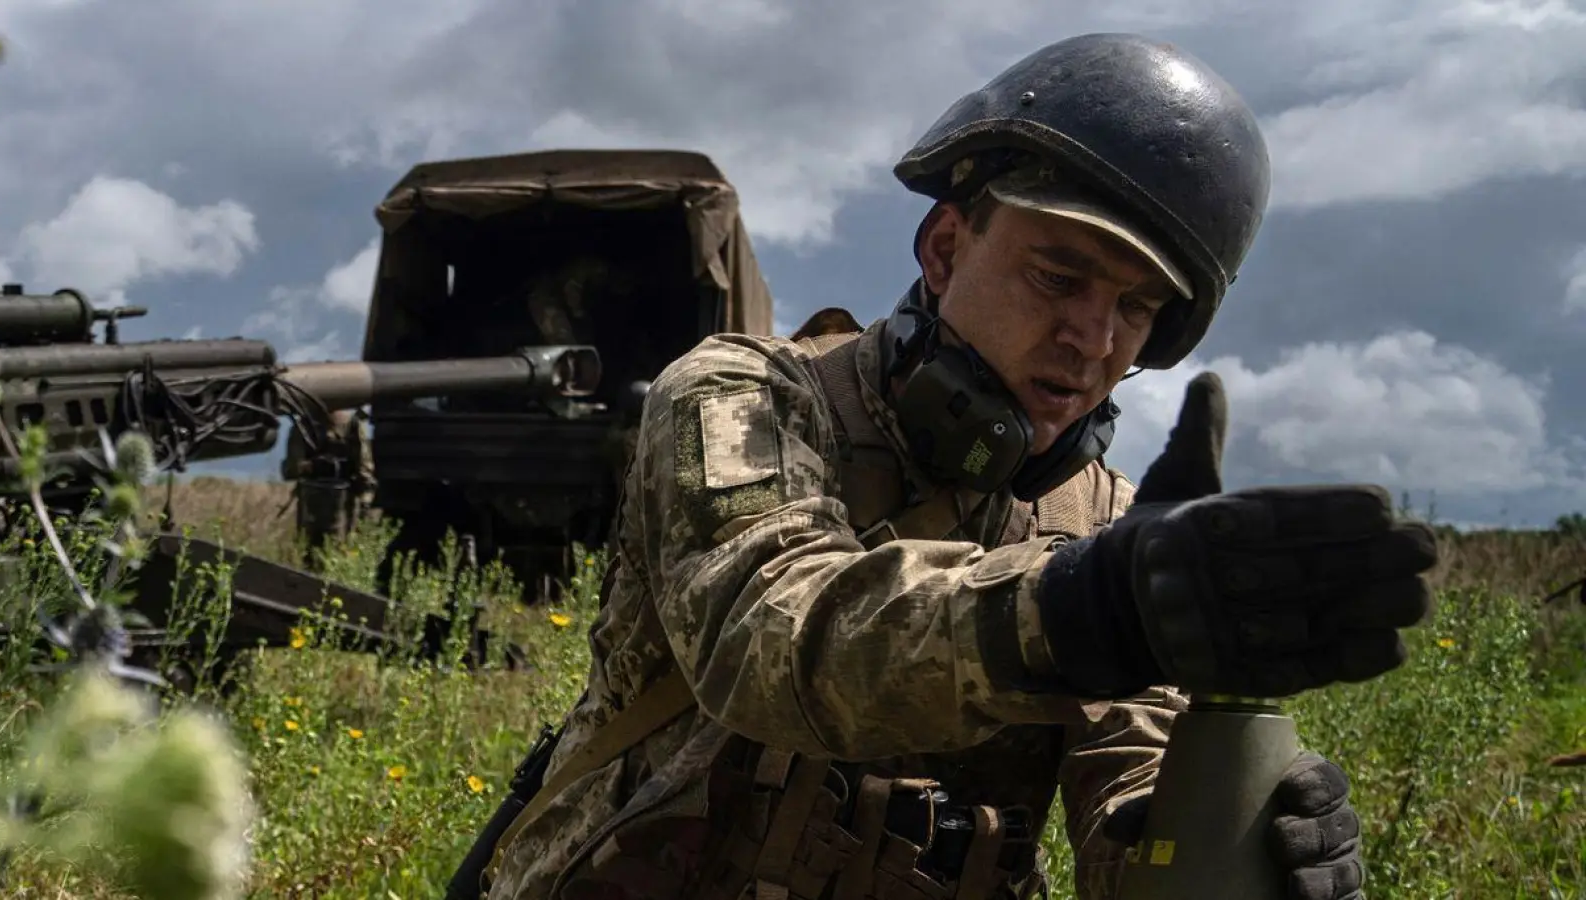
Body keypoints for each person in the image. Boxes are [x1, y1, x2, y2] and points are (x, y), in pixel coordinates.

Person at [455, 33, 1437, 900]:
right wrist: (1076, 611)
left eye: (1136, 310)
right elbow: (767, 634)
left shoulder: (1111, 528)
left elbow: (1125, 802)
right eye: (1059, 276)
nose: (1092, 338)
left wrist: (1230, 823)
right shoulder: (746, 394)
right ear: (943, 245)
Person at [280, 408, 375, 567]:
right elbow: (291, 468)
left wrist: (365, 500)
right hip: (312, 500)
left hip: (342, 499)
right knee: (311, 555)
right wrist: (313, 466)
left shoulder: (352, 425)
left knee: (338, 552)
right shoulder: (304, 426)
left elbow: (364, 469)